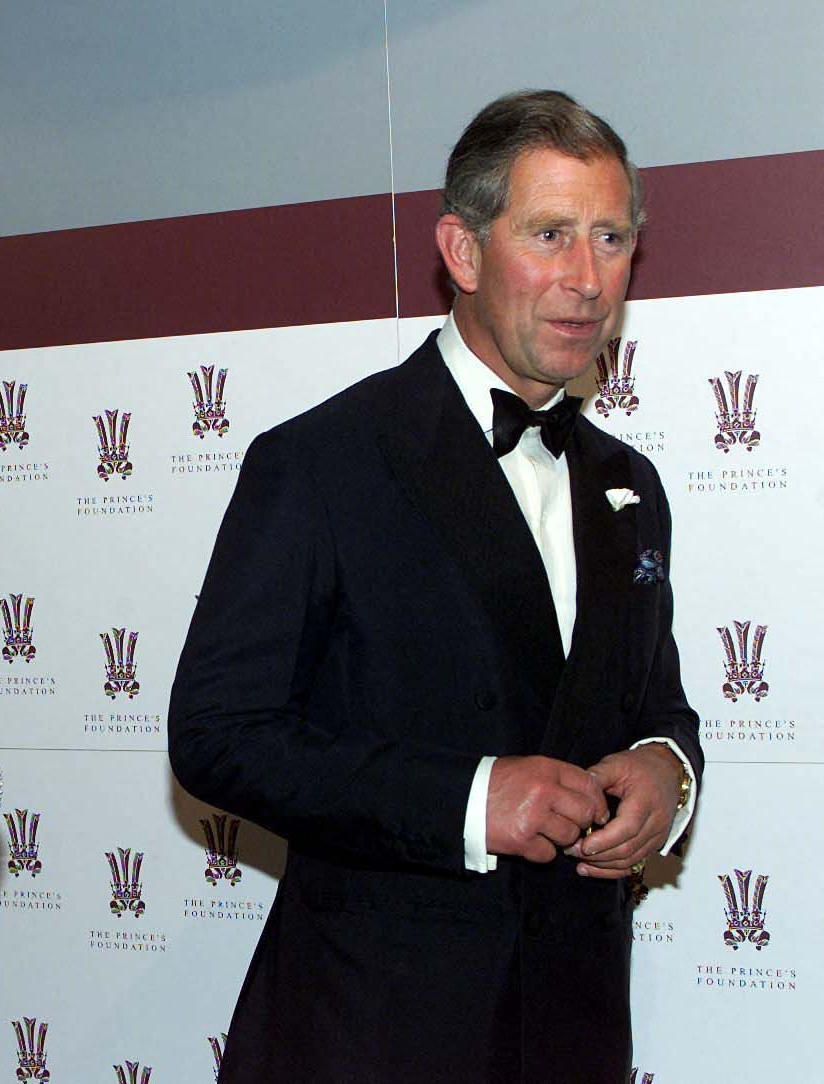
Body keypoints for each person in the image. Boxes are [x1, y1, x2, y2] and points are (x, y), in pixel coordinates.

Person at [168, 90, 701, 1083]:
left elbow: (653, 700)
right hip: (373, 1031)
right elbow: (218, 735)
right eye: (550, 235)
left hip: (573, 1029)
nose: (588, 279)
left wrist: (669, 768)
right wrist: (469, 797)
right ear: (461, 252)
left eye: (611, 238)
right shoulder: (323, 462)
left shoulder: (629, 484)